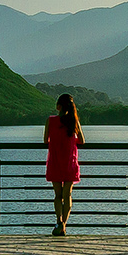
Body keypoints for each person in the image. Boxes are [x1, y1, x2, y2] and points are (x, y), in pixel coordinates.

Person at [44, 93, 84, 236]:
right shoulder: (74, 121)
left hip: (55, 161)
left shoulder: (50, 120)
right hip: (70, 162)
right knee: (67, 196)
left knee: (57, 195)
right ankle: (64, 225)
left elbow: (45, 140)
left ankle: (58, 221)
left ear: (58, 106)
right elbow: (82, 141)